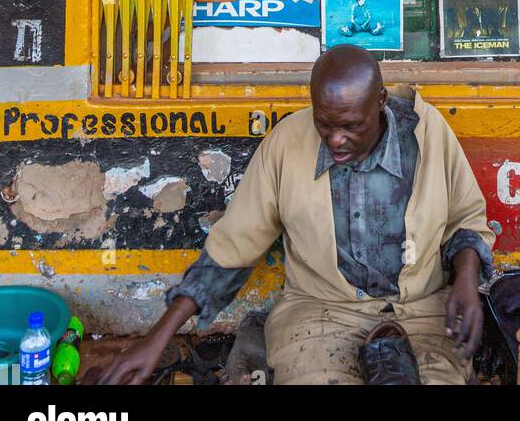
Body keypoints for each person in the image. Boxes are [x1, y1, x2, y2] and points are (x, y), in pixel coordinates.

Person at [93, 47, 494, 386]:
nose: (337, 140)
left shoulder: (428, 135)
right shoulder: (286, 143)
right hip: (319, 317)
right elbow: (235, 246)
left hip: (423, 312)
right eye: (325, 124)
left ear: (381, 101)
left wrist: (466, 280)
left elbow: (466, 221)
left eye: (352, 126)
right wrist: (159, 336)